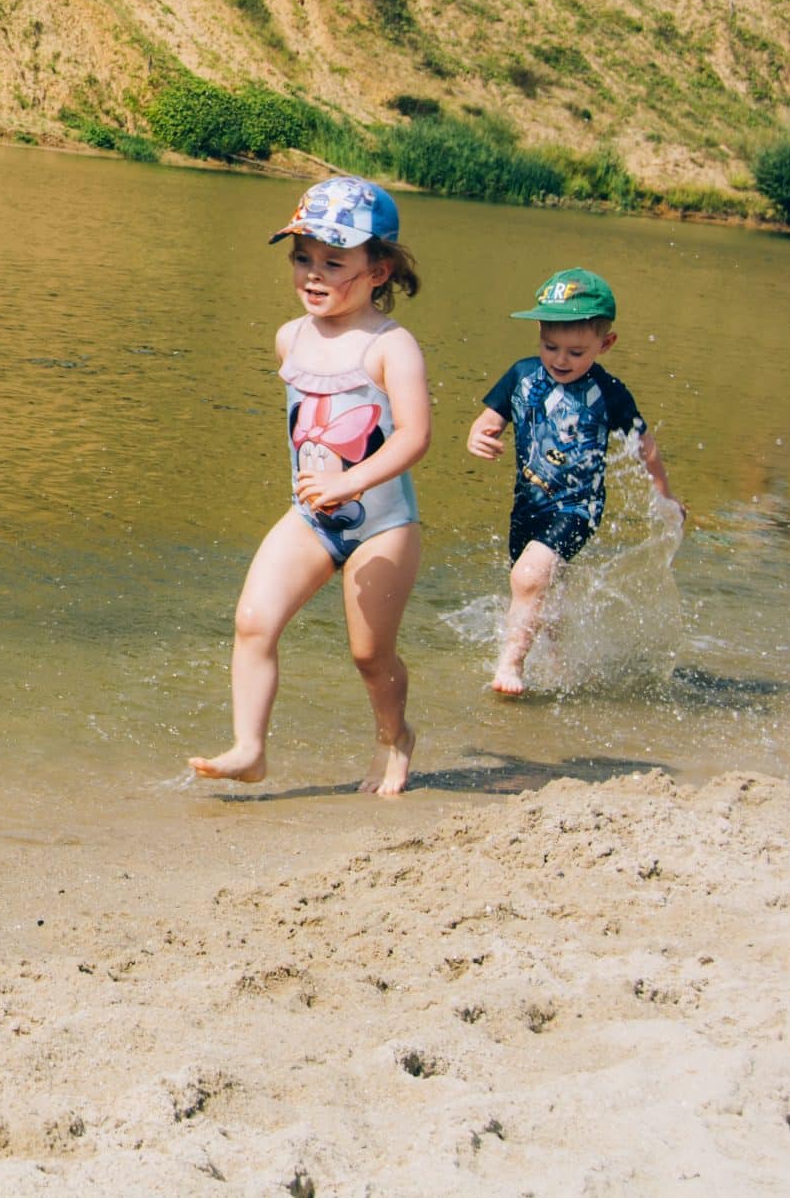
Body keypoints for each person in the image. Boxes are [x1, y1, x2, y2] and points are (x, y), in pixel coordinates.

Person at [191, 176, 430, 797]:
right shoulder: (289, 337)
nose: (313, 275)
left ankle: (394, 737)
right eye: (302, 258)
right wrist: (327, 489)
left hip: (383, 525)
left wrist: (350, 480)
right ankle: (249, 747)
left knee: (369, 656)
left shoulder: (390, 346)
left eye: (334, 261)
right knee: (253, 621)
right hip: (311, 517)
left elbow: (413, 438)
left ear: (379, 270)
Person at [465, 268, 679, 696]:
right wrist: (479, 436)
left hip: (577, 507)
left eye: (576, 351)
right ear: (539, 335)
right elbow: (489, 419)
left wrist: (665, 496)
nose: (561, 360)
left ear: (606, 343)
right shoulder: (522, 375)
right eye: (551, 347)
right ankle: (563, 666)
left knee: (528, 577)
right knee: (543, 590)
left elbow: (643, 446)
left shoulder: (610, 393)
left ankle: (511, 665)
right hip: (528, 504)